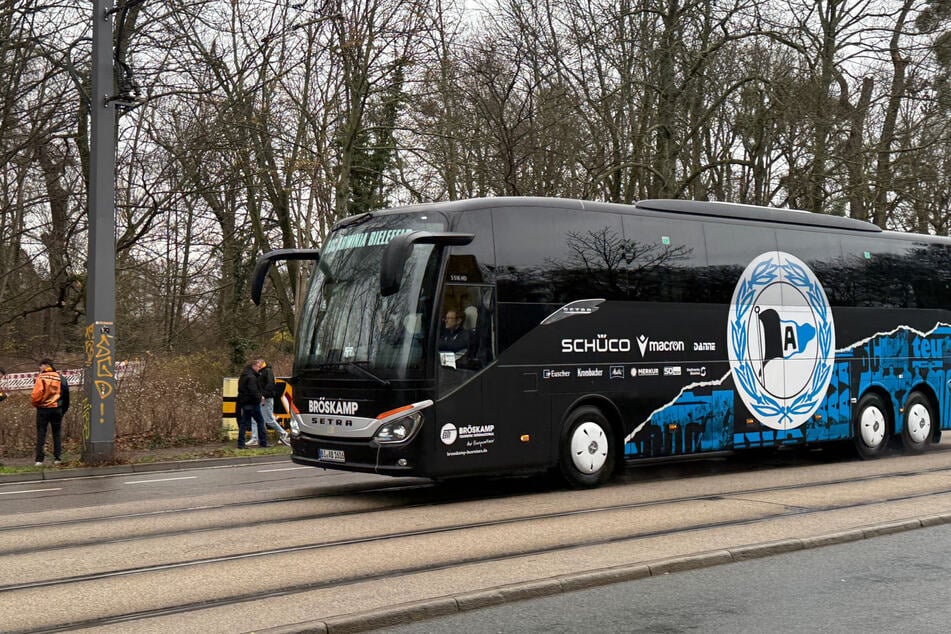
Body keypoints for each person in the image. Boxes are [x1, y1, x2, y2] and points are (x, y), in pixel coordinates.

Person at [31, 358, 70, 466]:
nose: (40, 368)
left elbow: (36, 395)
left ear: (46, 365)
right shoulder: (61, 378)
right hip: (57, 409)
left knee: (41, 434)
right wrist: (63, 409)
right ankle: (57, 458)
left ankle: (39, 460)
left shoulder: (41, 377)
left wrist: (36, 404)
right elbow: (66, 395)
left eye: (41, 366)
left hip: (43, 410)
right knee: (56, 434)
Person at [250, 359, 290, 447]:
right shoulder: (260, 372)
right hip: (261, 398)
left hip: (266, 399)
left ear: (261, 363)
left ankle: (283, 433)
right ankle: (254, 438)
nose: (256, 367)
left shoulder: (267, 371)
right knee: (254, 418)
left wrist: (264, 395)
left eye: (257, 364)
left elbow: (270, 385)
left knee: (268, 419)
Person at [236, 357, 267, 449]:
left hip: (244, 402)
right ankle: (263, 443)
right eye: (258, 367)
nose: (259, 368)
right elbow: (253, 391)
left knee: (243, 423)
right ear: (253, 366)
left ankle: (241, 443)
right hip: (252, 403)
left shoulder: (244, 375)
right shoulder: (252, 377)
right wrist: (260, 397)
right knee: (260, 421)